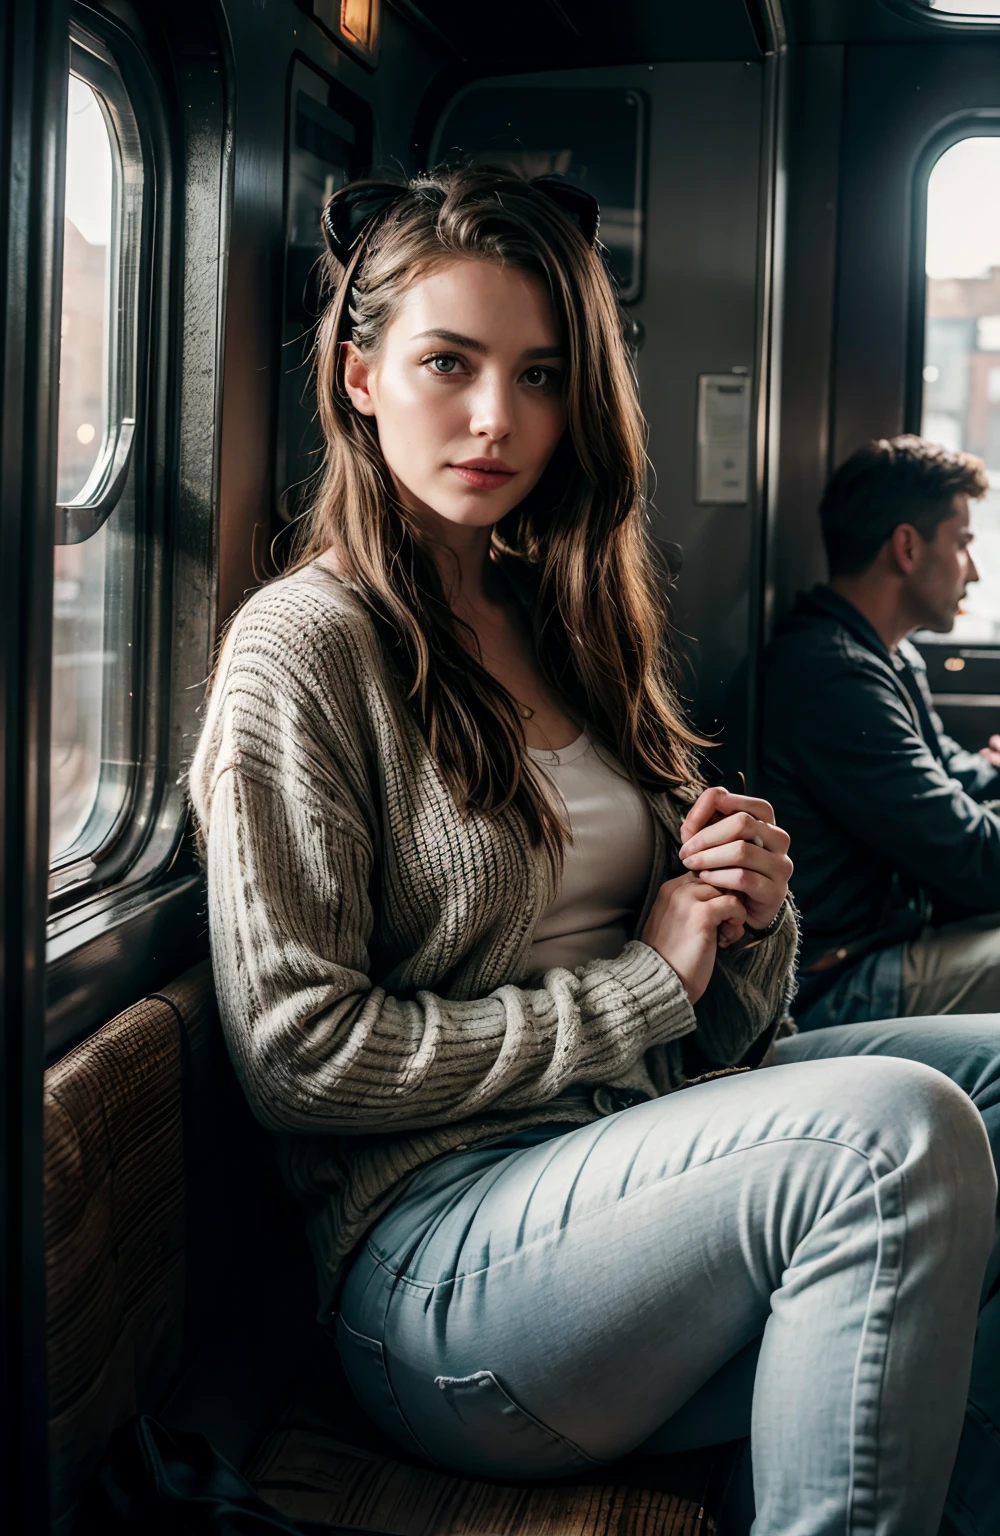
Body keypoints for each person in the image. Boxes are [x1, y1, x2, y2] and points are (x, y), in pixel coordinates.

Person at [191, 171, 1000, 1536]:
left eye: (542, 373)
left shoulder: (567, 619)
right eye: (449, 362)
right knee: (893, 1135)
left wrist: (746, 910)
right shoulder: (304, 646)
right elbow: (300, 1055)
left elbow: (717, 1029)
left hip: (628, 1165)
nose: (499, 416)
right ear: (360, 376)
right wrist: (644, 986)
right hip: (436, 1270)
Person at [761, 436, 1000, 1032]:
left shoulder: (886, 655)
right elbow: (973, 861)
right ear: (907, 547)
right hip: (837, 981)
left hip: (889, 944)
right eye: (963, 542)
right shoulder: (832, 674)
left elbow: (953, 773)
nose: (972, 569)